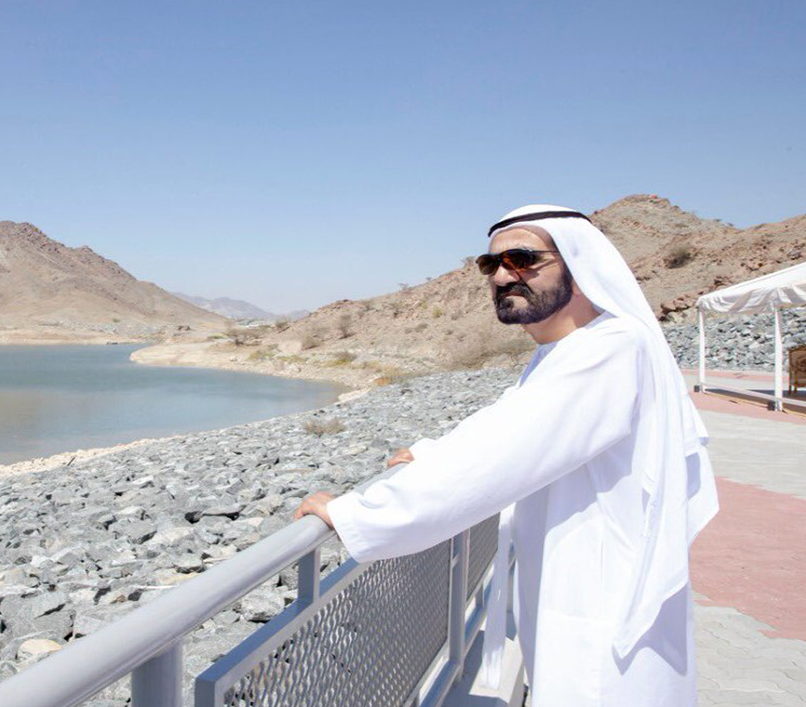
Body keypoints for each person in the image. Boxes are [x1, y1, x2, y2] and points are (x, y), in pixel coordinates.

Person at [294, 205, 719, 706]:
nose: (501, 276)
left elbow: (496, 457)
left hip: (603, 609)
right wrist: (428, 455)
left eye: (522, 259)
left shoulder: (609, 349)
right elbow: (508, 424)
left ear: (579, 264)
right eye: (490, 264)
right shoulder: (568, 351)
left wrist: (356, 513)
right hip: (581, 589)